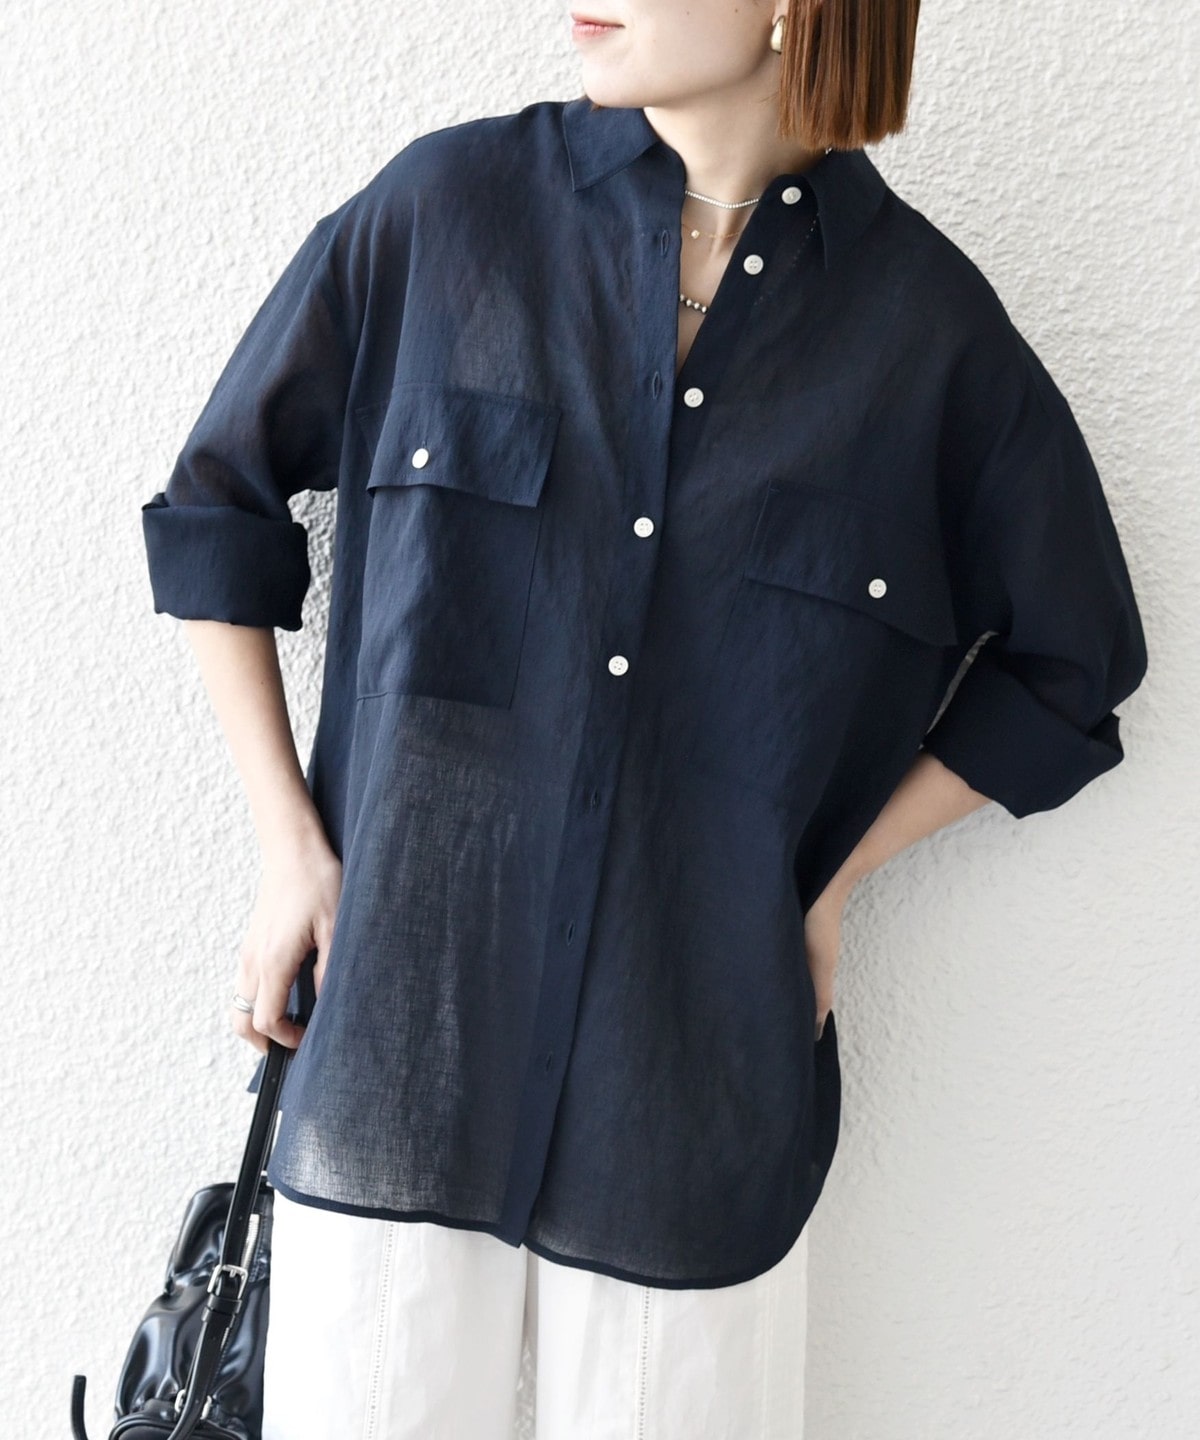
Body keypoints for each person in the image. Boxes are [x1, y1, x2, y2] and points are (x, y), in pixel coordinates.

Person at [140, 1, 1149, 1435]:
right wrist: (286, 845)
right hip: (398, 1051)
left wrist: (834, 878)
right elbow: (217, 510)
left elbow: (1073, 665)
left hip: (687, 1103)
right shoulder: (447, 216)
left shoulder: (929, 341)